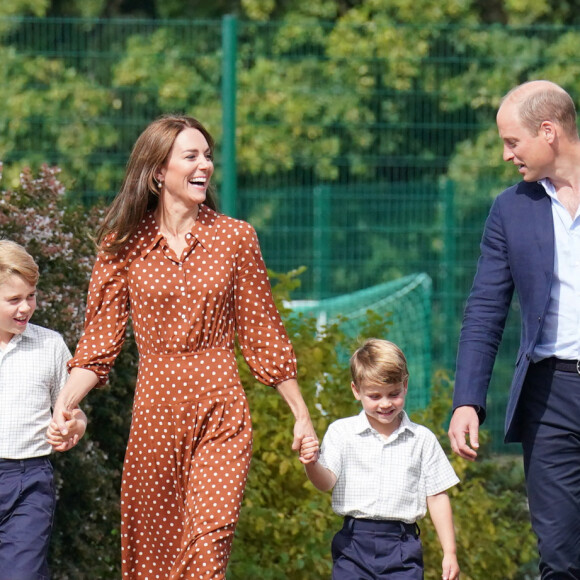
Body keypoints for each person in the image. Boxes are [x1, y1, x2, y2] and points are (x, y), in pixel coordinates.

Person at [49, 115, 317, 579]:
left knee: (207, 549)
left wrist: (301, 413)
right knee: (154, 559)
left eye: (208, 156)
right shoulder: (122, 246)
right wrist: (65, 406)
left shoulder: (236, 238)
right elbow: (99, 344)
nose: (205, 165)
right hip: (155, 415)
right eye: (191, 156)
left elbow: (263, 333)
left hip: (221, 411)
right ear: (158, 172)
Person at [448, 80, 580, 579]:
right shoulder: (510, 209)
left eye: (512, 142)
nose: (507, 156)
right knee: (561, 559)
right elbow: (485, 309)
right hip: (550, 397)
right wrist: (467, 399)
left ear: (548, 132)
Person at [301, 338, 460, 580]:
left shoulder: (422, 439)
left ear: (405, 386)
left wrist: (449, 552)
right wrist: (311, 463)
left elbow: (437, 496)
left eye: (393, 394)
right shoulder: (341, 432)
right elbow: (326, 482)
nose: (385, 404)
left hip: (402, 545)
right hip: (353, 543)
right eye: (374, 396)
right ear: (356, 390)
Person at [0, 239, 86, 580]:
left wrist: (73, 427)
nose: (25, 308)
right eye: (14, 300)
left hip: (29, 482)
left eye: (31, 297)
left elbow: (73, 412)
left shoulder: (50, 345)